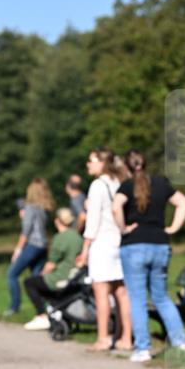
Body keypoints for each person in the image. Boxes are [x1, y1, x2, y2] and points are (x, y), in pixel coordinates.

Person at [113, 150, 185, 362]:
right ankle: (180, 342)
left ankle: (143, 349)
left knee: (137, 299)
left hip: (134, 246)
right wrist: (173, 228)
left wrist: (123, 229)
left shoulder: (126, 186)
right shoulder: (161, 184)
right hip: (160, 245)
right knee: (162, 297)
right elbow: (184, 203)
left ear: (127, 167)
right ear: (145, 164)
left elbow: (115, 207)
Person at [76, 148, 132, 352]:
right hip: (120, 241)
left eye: (91, 161)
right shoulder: (120, 181)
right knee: (122, 292)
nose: (88, 165)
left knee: (101, 292)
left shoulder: (98, 185)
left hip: (102, 243)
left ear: (102, 163)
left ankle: (103, 337)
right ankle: (125, 336)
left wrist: (85, 248)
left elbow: (92, 222)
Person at [23, 208, 83, 330]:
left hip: (61, 276)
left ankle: (41, 314)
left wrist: (42, 274)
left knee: (30, 282)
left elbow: (51, 264)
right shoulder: (78, 237)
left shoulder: (60, 238)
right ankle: (56, 310)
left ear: (57, 221)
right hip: (76, 276)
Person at [5, 178, 54, 317]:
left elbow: (26, 231)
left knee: (12, 274)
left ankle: (14, 307)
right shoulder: (44, 209)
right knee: (36, 278)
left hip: (33, 245)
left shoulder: (30, 208)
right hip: (43, 246)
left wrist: (18, 250)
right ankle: (42, 308)